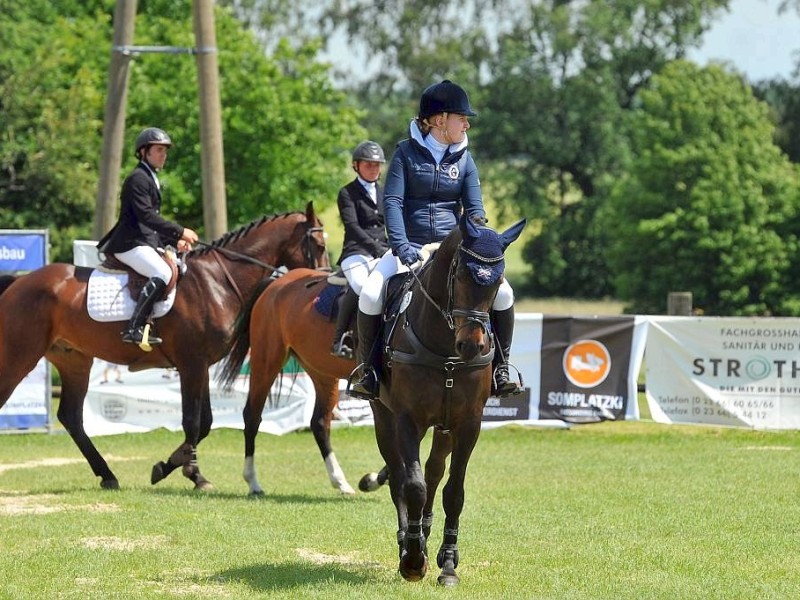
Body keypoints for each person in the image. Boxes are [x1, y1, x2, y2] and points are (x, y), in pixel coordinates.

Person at [349, 80, 521, 400]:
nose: (467, 124)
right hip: (409, 245)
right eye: (461, 117)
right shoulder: (404, 153)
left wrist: (480, 242)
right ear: (440, 120)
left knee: (505, 294)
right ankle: (369, 371)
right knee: (371, 294)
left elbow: (475, 211)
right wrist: (401, 245)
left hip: (452, 248)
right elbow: (393, 203)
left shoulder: (466, 159)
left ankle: (501, 368)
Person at [97, 127, 199, 346]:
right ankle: (134, 327)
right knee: (162, 272)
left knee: (176, 267)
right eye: (159, 150)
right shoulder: (138, 179)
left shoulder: (150, 177)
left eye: (165, 151)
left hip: (142, 240)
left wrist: (174, 242)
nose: (164, 155)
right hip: (128, 243)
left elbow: (150, 224)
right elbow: (146, 216)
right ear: (144, 152)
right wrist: (180, 231)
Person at [330, 141, 390, 359]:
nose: (373, 169)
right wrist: (376, 247)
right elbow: (353, 227)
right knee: (362, 286)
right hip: (355, 252)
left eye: (377, 165)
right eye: (368, 165)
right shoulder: (347, 193)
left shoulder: (385, 192)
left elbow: (392, 224)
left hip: (382, 250)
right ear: (356, 166)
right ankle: (339, 340)